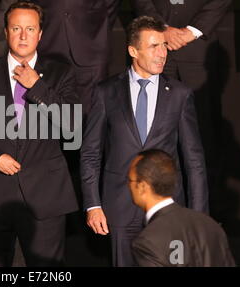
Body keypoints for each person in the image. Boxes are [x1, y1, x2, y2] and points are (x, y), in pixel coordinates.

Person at [0, 1, 79, 266]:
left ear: (40, 34)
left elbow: (73, 128)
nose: (23, 35)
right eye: (16, 28)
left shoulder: (61, 74)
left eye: (30, 29)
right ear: (6, 31)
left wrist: (37, 86)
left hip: (47, 197)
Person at [80, 16, 209, 267]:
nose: (163, 53)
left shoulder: (180, 95)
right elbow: (90, 154)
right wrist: (92, 204)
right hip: (118, 208)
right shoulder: (105, 92)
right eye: (154, 46)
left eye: (163, 46)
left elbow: (195, 161)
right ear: (132, 51)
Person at [128, 0, 235, 194]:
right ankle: (155, 201)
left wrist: (191, 31)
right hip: (154, 49)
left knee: (203, 130)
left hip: (198, 50)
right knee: (153, 127)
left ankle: (204, 208)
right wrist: (161, 28)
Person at [20, 0, 121, 115]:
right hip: (48, 43)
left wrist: (98, 28)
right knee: (49, 113)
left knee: (91, 117)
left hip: (90, 46)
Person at [128, 149, 235, 267]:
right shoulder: (210, 225)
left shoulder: (147, 242)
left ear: (142, 187)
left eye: (130, 180)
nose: (128, 186)